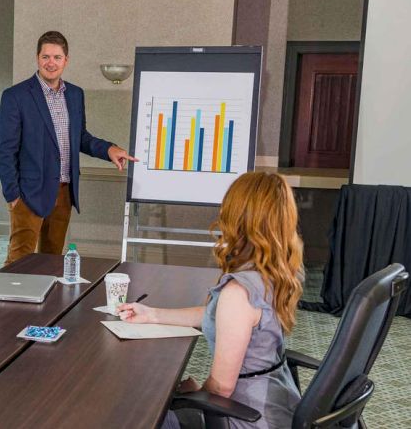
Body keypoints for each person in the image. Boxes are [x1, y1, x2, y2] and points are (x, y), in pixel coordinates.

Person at [118, 172, 304, 429]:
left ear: (237, 217)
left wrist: (195, 394)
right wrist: (153, 314)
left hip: (243, 416)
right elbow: (220, 315)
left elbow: (222, 388)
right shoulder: (281, 270)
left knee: (141, 411)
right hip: (278, 403)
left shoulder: (239, 293)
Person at [0, 30, 138, 265]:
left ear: (66, 60)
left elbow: (80, 137)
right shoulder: (16, 96)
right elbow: (5, 149)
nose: (51, 63)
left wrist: (109, 150)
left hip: (64, 191)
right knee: (19, 260)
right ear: (37, 58)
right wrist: (12, 195)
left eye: (57, 57)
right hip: (28, 193)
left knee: (52, 258)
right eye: (46, 57)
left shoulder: (74, 94)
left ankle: (45, 301)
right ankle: (12, 301)